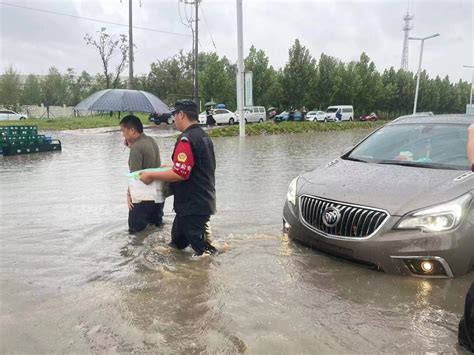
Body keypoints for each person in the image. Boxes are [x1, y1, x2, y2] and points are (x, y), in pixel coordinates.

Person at [139, 100, 218, 256]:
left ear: (181, 114)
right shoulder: (203, 136)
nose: (173, 119)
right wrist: (171, 165)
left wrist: (151, 174)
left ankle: (210, 277)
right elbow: (195, 166)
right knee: (176, 246)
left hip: (192, 206)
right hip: (198, 202)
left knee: (204, 254)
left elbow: (181, 174)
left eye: (174, 115)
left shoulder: (186, 139)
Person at [120, 115, 164, 233]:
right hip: (158, 196)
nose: (123, 135)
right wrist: (131, 146)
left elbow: (135, 176)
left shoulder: (137, 147)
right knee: (155, 229)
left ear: (132, 130)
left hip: (142, 197)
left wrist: (129, 195)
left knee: (135, 234)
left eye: (124, 131)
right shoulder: (151, 140)